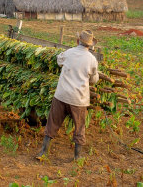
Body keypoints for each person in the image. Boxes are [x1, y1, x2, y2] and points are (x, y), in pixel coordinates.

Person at [36, 30, 99, 160]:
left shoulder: (68, 53)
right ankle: (77, 157)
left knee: (52, 123)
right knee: (79, 127)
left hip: (62, 95)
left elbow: (59, 61)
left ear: (77, 41)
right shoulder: (92, 60)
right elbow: (93, 80)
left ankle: (43, 152)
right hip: (79, 99)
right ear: (90, 45)